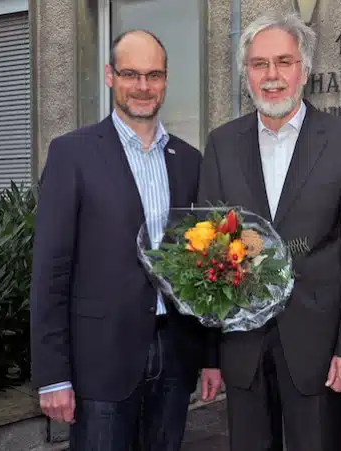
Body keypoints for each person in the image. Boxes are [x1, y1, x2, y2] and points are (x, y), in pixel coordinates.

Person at [30, 29, 222, 451]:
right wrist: (52, 375)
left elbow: (206, 268)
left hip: (175, 354)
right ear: (109, 76)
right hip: (99, 361)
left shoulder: (189, 161)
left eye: (153, 75)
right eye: (131, 74)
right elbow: (50, 272)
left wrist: (211, 357)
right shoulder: (72, 154)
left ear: (167, 80)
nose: (142, 86)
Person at [199, 12, 341, 451]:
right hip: (242, 349)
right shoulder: (222, 144)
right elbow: (206, 255)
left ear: (305, 69)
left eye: (284, 61)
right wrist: (210, 356)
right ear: (246, 74)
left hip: (319, 350)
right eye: (259, 64)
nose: (272, 75)